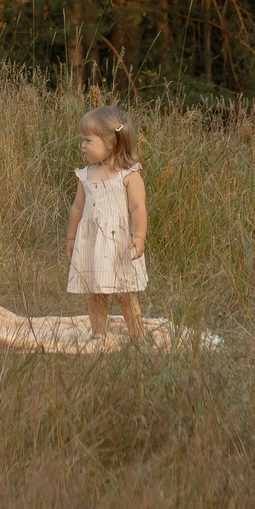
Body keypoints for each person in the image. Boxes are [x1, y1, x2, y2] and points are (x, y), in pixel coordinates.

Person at [65, 105, 148, 339]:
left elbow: (138, 208)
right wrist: (71, 238)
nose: (83, 145)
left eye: (88, 140)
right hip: (93, 242)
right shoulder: (86, 174)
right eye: (82, 140)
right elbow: (77, 208)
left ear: (111, 142)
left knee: (125, 294)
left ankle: (137, 336)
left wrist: (139, 237)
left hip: (119, 244)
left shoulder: (128, 175)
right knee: (96, 293)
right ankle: (98, 335)